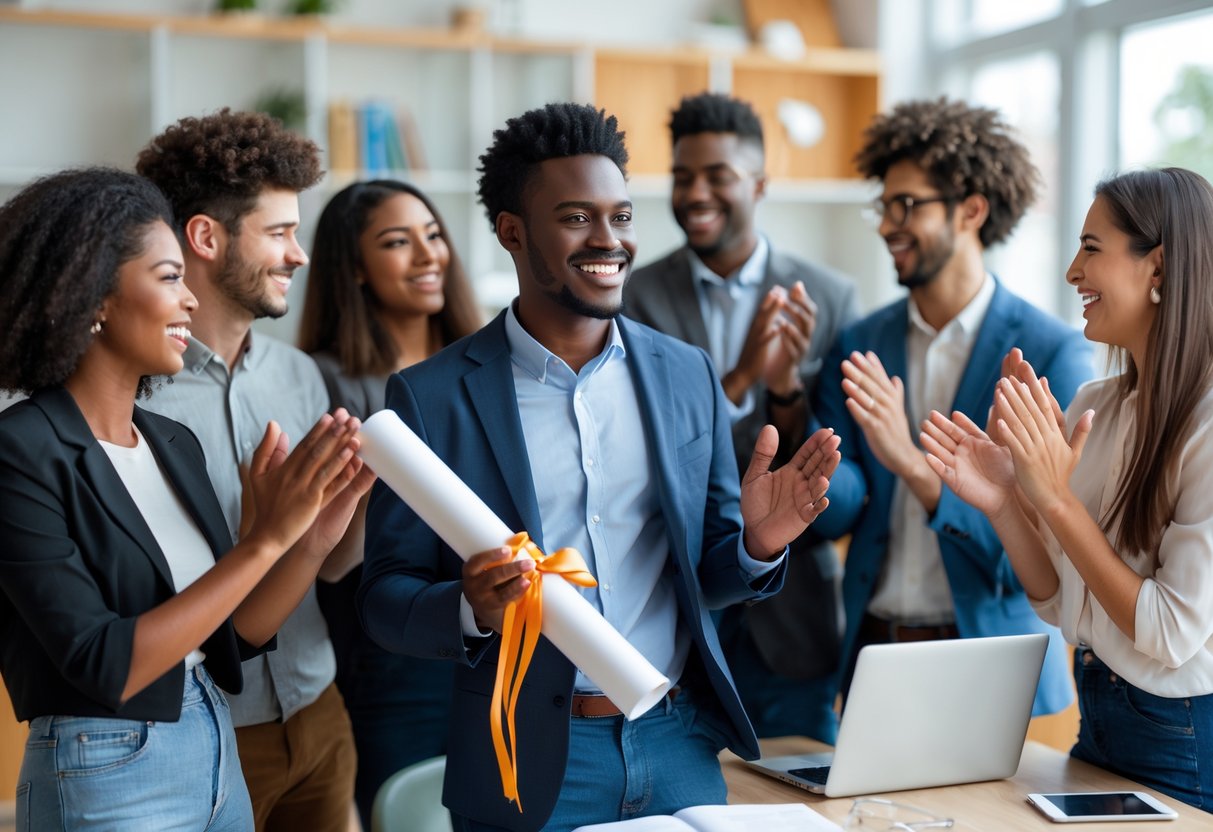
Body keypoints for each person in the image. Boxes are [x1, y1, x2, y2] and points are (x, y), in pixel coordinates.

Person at [359, 102, 842, 832]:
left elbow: (706, 576)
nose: (608, 241)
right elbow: (384, 599)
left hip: (677, 742)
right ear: (512, 233)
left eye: (620, 217)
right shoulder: (431, 398)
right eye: (577, 218)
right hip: (527, 761)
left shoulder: (685, 374)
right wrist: (471, 607)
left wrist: (756, 543)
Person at [0, 167, 371, 830]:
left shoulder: (170, 442)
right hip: (104, 760)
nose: (190, 301)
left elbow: (232, 634)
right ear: (92, 296)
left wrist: (308, 539)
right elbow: (104, 663)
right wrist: (265, 539)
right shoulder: (20, 451)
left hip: (211, 737)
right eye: (169, 277)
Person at [922, 167, 1213, 811]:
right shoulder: (1096, 404)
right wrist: (1005, 501)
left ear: (1158, 268)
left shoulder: (1209, 425)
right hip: (1100, 719)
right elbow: (1062, 604)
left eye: (1092, 248)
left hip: (1184, 741)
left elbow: (1168, 633)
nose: (1072, 272)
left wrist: (1056, 499)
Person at [811, 97, 1093, 716]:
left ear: (971, 210)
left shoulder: (1050, 353)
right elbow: (838, 511)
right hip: (872, 657)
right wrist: (809, 453)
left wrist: (912, 463)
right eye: (884, 206)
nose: (888, 224)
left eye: (906, 204)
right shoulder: (859, 343)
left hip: (998, 666)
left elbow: (1050, 553)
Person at [135, 109, 357, 831]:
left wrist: (362, 506)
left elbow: (327, 566)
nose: (298, 255)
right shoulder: (129, 394)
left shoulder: (300, 377)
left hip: (319, 716)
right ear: (205, 237)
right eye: (280, 232)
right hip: (200, 732)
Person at [625, 92, 859, 743]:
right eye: (680, 176)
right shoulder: (634, 296)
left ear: (757, 184)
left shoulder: (832, 297)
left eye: (716, 176)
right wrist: (737, 381)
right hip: (674, 613)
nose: (694, 192)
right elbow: (644, 449)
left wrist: (784, 386)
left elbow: (840, 474)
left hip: (793, 623)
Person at [298, 179, 482, 829]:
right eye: (397, 242)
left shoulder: (484, 366)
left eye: (433, 235)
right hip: (390, 652)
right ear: (352, 268)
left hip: (496, 637)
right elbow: (332, 560)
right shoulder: (324, 379)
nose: (428, 255)